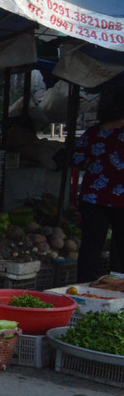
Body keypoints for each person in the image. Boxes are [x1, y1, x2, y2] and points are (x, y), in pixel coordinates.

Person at [71, 92, 124, 282]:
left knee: (90, 247)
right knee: (121, 248)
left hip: (93, 198)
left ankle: (83, 286)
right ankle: (119, 287)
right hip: (121, 201)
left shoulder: (93, 133)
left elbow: (76, 159)